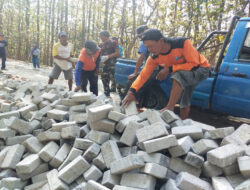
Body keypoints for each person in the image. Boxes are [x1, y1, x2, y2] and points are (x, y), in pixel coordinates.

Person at [122, 29, 210, 119]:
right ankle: (184, 123)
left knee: (178, 75)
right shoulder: (154, 57)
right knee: (185, 98)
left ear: (161, 41)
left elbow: (194, 63)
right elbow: (143, 75)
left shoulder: (182, 43)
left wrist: (169, 69)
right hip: (184, 72)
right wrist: (131, 91)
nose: (150, 50)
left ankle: (170, 107)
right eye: (147, 47)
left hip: (201, 68)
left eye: (151, 46)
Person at [99, 30, 120, 96]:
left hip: (113, 64)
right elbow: (99, 55)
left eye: (101, 36)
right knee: (104, 78)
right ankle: (106, 93)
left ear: (105, 36)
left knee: (115, 80)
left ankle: (121, 95)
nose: (100, 38)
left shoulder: (113, 42)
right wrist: (100, 60)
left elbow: (117, 53)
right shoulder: (101, 45)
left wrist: (108, 56)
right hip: (105, 65)